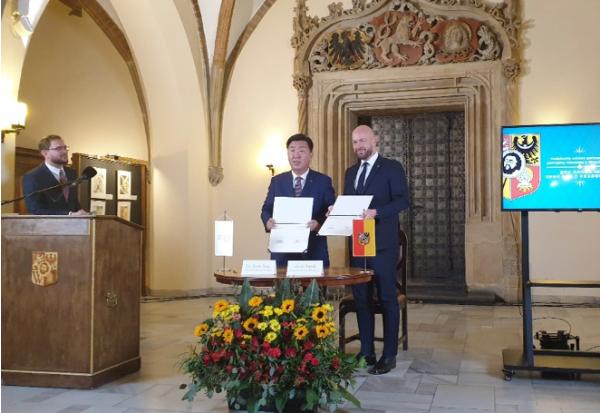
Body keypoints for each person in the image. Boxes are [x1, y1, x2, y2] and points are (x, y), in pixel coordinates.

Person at [343, 125, 409, 375]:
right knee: (361, 299)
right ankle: (367, 352)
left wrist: (377, 212)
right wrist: (337, 211)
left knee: (387, 298)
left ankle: (389, 355)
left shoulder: (391, 167)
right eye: (355, 142)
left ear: (375, 140)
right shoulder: (350, 172)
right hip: (359, 245)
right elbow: (350, 205)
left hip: (382, 245)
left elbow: (403, 200)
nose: (358, 145)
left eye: (363, 140)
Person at [261, 133, 335, 266]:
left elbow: (331, 211)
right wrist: (267, 222)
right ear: (287, 154)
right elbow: (266, 209)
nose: (296, 155)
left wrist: (318, 225)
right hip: (282, 253)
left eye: (301, 151)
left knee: (315, 282)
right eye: (292, 150)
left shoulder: (323, 181)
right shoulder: (277, 181)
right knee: (282, 281)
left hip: (314, 253)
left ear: (311, 154)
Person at [22, 135, 88, 215]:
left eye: (65, 147)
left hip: (74, 222)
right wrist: (69, 214)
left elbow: (73, 202)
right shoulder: (33, 177)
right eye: (58, 148)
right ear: (45, 153)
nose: (64, 151)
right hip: (48, 223)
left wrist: (82, 212)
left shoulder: (71, 173)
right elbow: (35, 210)